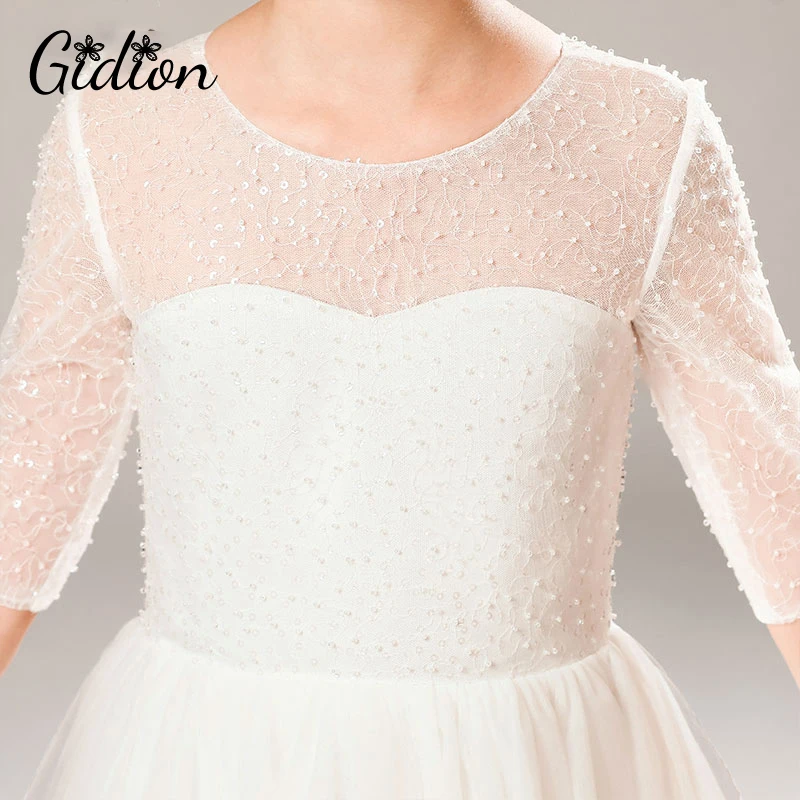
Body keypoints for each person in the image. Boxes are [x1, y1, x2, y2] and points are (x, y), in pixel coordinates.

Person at [1, 1, 798, 797]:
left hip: (532, 759)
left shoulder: (643, 136)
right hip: (208, 758)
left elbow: (775, 492)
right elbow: (29, 470)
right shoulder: (118, 133)